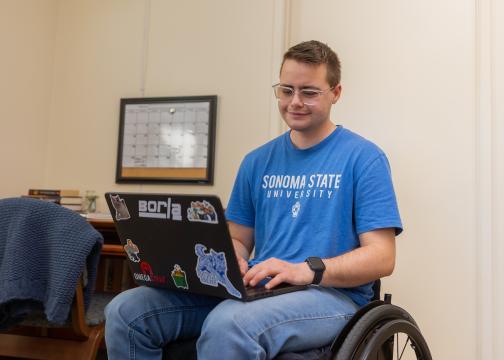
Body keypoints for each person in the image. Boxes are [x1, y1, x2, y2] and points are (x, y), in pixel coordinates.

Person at [104, 40, 402, 360]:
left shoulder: (364, 158)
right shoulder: (257, 161)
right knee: (126, 311)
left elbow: (382, 257)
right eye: (286, 90)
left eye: (309, 92)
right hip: (259, 288)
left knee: (229, 324)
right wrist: (235, 258)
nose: (295, 101)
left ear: (336, 92)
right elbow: (239, 239)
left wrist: (308, 270)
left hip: (330, 296)